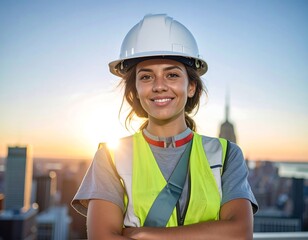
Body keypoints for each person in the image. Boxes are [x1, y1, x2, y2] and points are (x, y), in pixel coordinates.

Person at [72, 14, 258, 240]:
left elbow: (240, 233)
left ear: (191, 87)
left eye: (172, 74)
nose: (159, 86)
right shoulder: (110, 158)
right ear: (135, 91)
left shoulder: (227, 155)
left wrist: (144, 234)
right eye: (147, 77)